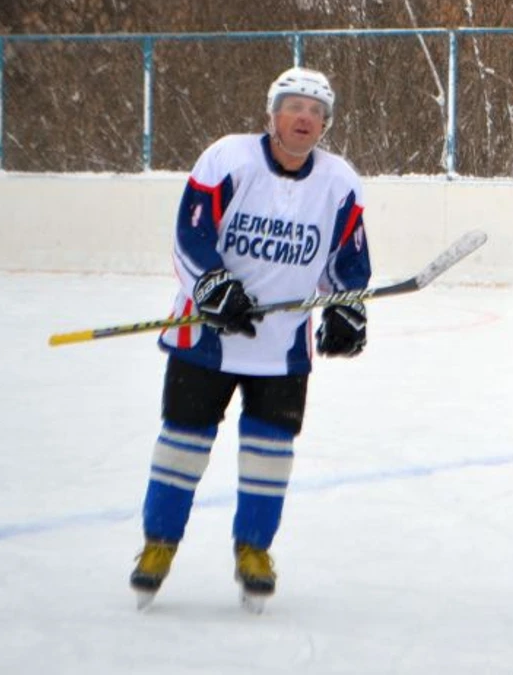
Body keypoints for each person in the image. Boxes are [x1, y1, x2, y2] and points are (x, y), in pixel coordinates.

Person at [128, 67, 374, 612]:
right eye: (293, 106)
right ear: (271, 115)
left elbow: (348, 260)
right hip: (205, 338)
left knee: (270, 455)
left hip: (282, 349)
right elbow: (190, 235)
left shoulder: (340, 181)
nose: (304, 116)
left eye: (316, 110)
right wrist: (212, 285)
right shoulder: (228, 160)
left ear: (325, 125)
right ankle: (158, 546)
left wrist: (346, 307)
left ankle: (254, 551)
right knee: (182, 445)